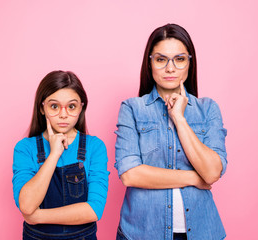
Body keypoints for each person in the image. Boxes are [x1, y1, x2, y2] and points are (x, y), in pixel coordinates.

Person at [114, 24, 227, 240]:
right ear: (150, 63)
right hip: (141, 232)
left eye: (179, 59)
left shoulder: (208, 109)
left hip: (202, 232)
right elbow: (130, 174)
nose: (170, 68)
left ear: (189, 63)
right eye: (161, 59)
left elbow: (212, 172)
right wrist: (194, 178)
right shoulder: (132, 109)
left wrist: (179, 118)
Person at [12, 70, 109, 240]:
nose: (63, 115)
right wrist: (54, 154)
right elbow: (26, 206)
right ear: (42, 108)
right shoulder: (24, 148)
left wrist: (38, 217)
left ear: (81, 107)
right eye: (54, 106)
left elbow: (94, 210)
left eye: (71, 106)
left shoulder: (95, 147)